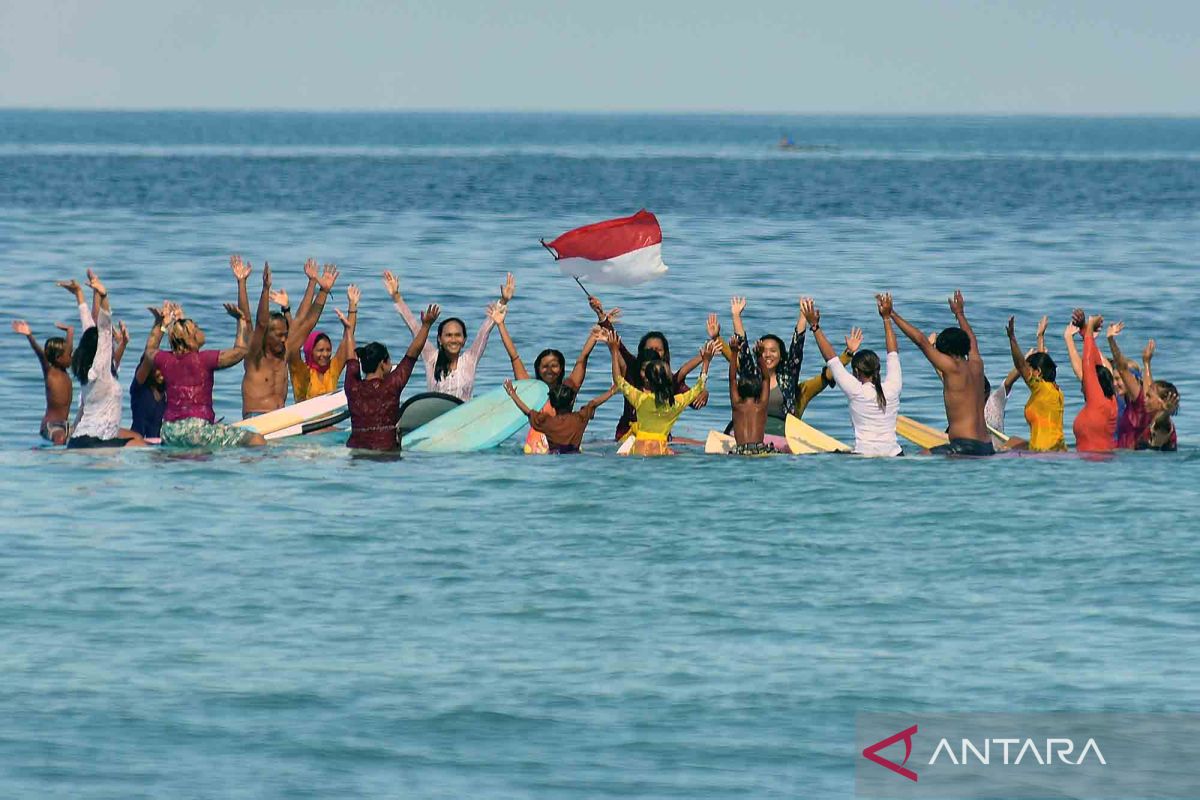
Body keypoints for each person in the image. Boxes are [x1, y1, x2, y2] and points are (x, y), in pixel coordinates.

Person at [148, 294, 264, 448]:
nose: (201, 331)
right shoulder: (204, 359)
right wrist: (241, 320)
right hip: (197, 431)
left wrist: (160, 324)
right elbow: (240, 351)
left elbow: (149, 349)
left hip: (169, 432)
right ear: (191, 339)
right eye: (197, 329)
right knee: (256, 439)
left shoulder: (165, 359)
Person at [718, 296, 858, 424]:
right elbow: (742, 348)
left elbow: (797, 348)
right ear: (758, 352)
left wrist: (803, 316)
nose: (768, 355)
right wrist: (736, 316)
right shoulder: (751, 375)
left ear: (781, 356)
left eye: (773, 351)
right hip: (753, 431)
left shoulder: (788, 376)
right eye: (764, 350)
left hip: (783, 433)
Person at [589, 294, 707, 440]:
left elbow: (693, 401)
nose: (653, 353)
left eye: (658, 350)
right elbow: (618, 346)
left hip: (659, 436)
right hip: (628, 434)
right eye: (649, 349)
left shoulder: (669, 381)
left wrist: (703, 394)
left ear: (665, 354)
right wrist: (601, 316)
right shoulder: (632, 368)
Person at [890, 290, 993, 456]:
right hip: (987, 446)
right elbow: (972, 338)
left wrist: (891, 314)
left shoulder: (952, 367)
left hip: (965, 446)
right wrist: (959, 313)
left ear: (948, 353)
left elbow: (921, 341)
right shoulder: (977, 364)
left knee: (919, 457)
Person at [383, 270, 507, 401]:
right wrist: (396, 296)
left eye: (458, 335)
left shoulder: (470, 360)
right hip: (436, 418)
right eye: (448, 335)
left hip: (464, 419)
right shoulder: (431, 358)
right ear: (440, 339)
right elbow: (414, 327)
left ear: (464, 340)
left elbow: (484, 331)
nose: (453, 340)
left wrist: (503, 301)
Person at [803, 295, 902, 457]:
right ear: (878, 368)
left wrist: (814, 326)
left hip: (863, 455)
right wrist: (886, 318)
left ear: (856, 372)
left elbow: (831, 359)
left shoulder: (856, 390)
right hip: (895, 454)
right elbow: (893, 352)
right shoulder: (893, 387)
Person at [240, 256, 337, 417]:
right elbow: (252, 321)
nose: (284, 339)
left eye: (285, 335)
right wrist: (259, 288)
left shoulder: (285, 352)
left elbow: (306, 322)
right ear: (266, 335)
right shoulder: (254, 355)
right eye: (279, 335)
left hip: (281, 418)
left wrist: (323, 291)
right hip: (256, 417)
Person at [600, 327, 715, 456]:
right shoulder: (675, 403)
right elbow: (699, 386)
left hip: (637, 449)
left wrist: (614, 351)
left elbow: (618, 380)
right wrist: (706, 362)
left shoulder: (640, 399)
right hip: (662, 449)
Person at [66, 269, 146, 449]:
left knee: (136, 439)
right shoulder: (101, 371)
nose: (111, 344)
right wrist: (103, 296)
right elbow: (103, 329)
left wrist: (82, 300)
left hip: (77, 441)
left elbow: (89, 329)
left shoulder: (89, 373)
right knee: (142, 446)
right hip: (97, 443)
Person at [344, 303, 440, 451]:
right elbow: (412, 354)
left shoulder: (352, 387)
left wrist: (349, 331)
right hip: (386, 452)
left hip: (356, 451)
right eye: (389, 360)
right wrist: (426, 326)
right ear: (383, 363)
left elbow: (351, 360)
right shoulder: (391, 385)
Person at [503, 378, 616, 454]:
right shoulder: (580, 418)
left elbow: (527, 411)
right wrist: (612, 391)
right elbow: (594, 403)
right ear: (572, 402)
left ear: (551, 404)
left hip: (554, 457)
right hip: (576, 456)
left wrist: (512, 394)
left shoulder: (546, 422)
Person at [1109, 333, 1179, 451]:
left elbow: (1162, 423)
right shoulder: (1148, 418)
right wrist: (1146, 362)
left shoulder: (1162, 426)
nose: (1145, 399)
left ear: (1162, 402)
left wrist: (1166, 413)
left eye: (1149, 397)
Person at [1006, 315, 1067, 452]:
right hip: (1059, 450)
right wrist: (1040, 336)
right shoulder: (1054, 389)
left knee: (1005, 447)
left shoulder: (1040, 388)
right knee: (1012, 441)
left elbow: (1020, 365)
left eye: (1030, 370)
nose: (1027, 374)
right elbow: (1042, 361)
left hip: (1042, 452)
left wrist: (1012, 339)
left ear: (1037, 372)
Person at [290, 284, 359, 402]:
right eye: (320, 350)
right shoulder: (301, 371)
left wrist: (352, 306)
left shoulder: (332, 370)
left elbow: (347, 340)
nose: (326, 354)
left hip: (329, 420)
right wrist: (287, 311)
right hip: (306, 420)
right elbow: (292, 347)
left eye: (328, 350)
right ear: (310, 351)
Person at [12, 315, 74, 444]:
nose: (71, 358)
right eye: (69, 355)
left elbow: (69, 346)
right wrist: (29, 335)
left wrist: (70, 331)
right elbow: (40, 353)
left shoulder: (64, 371)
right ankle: (56, 460)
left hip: (66, 425)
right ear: (58, 358)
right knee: (60, 438)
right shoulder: (50, 372)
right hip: (50, 426)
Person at [1069, 309, 1117, 453]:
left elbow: (1089, 363)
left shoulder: (1098, 402)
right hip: (1100, 462)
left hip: (1092, 464)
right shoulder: (1111, 402)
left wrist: (1090, 326)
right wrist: (1084, 331)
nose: (1082, 387)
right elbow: (1096, 363)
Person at [726, 326, 772, 452]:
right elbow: (766, 379)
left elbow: (732, 379)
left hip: (740, 451)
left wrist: (734, 352)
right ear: (759, 391)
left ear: (739, 391)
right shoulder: (761, 405)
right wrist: (759, 356)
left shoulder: (737, 405)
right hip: (759, 450)